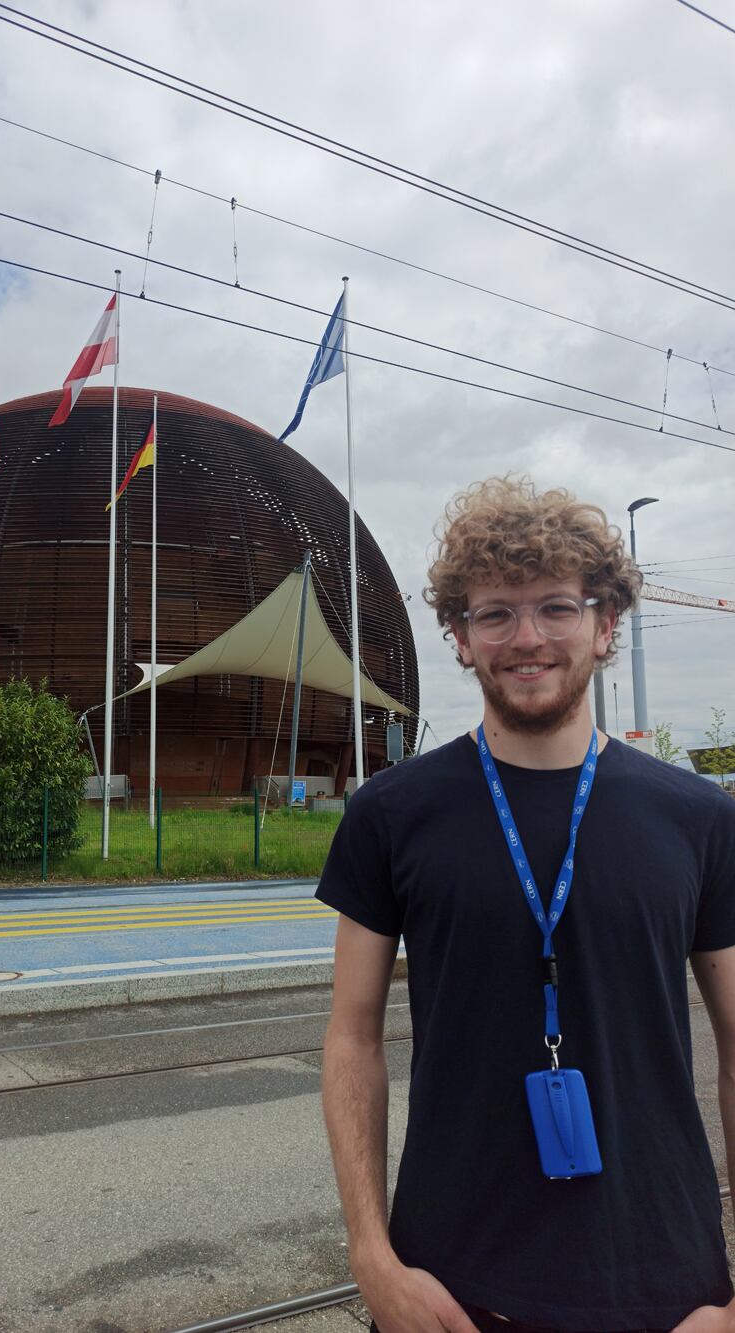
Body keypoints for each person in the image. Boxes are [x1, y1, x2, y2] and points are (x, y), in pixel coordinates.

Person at [318, 477, 735, 1333]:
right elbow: (352, 1037)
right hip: (450, 1286)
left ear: (606, 625)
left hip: (666, 1285)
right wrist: (373, 1259)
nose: (527, 637)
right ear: (461, 640)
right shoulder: (391, 815)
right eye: (494, 614)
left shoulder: (700, 818)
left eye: (556, 607)